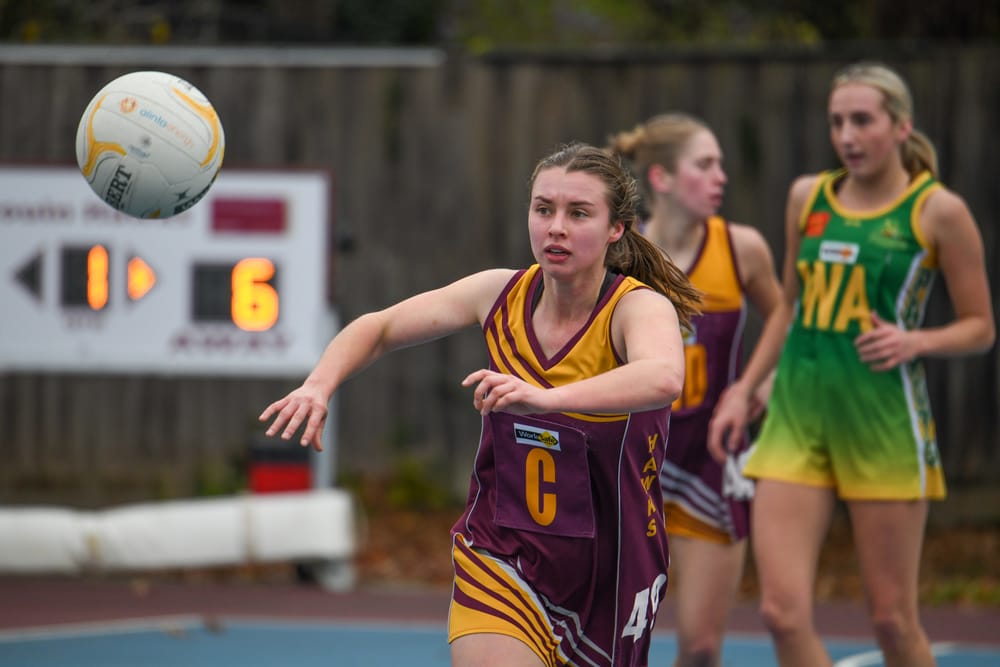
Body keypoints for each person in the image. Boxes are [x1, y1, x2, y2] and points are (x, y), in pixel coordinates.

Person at [259, 142, 703, 667]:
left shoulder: (635, 307)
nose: (555, 227)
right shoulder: (498, 293)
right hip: (502, 556)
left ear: (616, 229)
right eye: (544, 209)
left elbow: (664, 376)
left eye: (578, 213)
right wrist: (319, 383)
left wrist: (548, 399)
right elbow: (379, 328)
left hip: (610, 569)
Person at [707, 62, 996, 667]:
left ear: (899, 127)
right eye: (837, 122)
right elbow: (788, 305)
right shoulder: (806, 197)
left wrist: (917, 342)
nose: (847, 135)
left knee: (893, 622)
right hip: (797, 415)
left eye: (862, 120)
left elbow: (980, 328)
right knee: (780, 615)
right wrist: (744, 389)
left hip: (883, 422)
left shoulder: (937, 212)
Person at [609, 114, 783, 667]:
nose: (720, 177)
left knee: (703, 647)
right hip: (633, 460)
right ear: (661, 178)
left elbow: (787, 319)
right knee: (612, 642)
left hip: (709, 461)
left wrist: (757, 384)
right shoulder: (620, 253)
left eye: (721, 165)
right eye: (705, 165)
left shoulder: (741, 248)